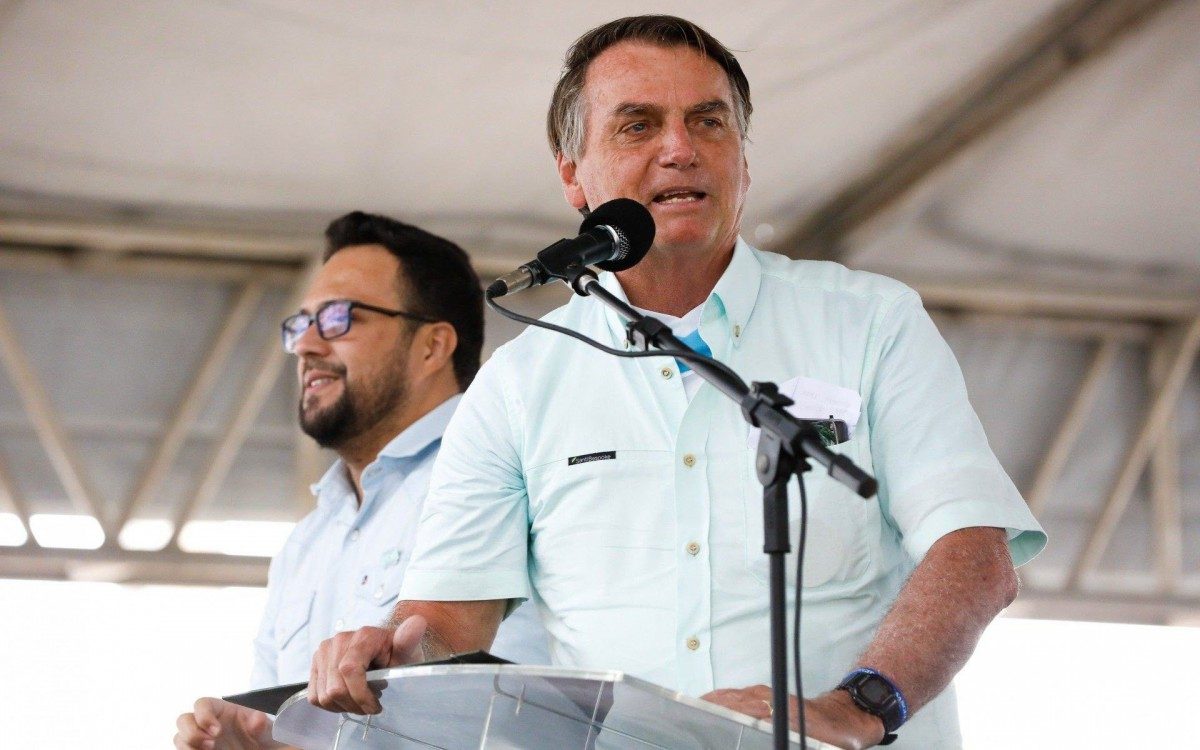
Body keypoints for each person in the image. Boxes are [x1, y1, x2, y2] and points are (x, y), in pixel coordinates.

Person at [306, 17, 1046, 750]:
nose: (681, 149)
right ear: (573, 173)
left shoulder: (870, 322)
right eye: (637, 126)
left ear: (744, 162)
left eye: (709, 122)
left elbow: (975, 555)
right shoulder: (519, 384)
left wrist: (859, 707)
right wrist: (394, 652)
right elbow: (449, 621)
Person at [173, 212, 549, 750]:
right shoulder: (305, 543)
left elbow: (527, 710)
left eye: (337, 319)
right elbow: (305, 734)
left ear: (432, 346)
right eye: (301, 325)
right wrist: (250, 742)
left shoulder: (509, 472)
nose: (306, 346)